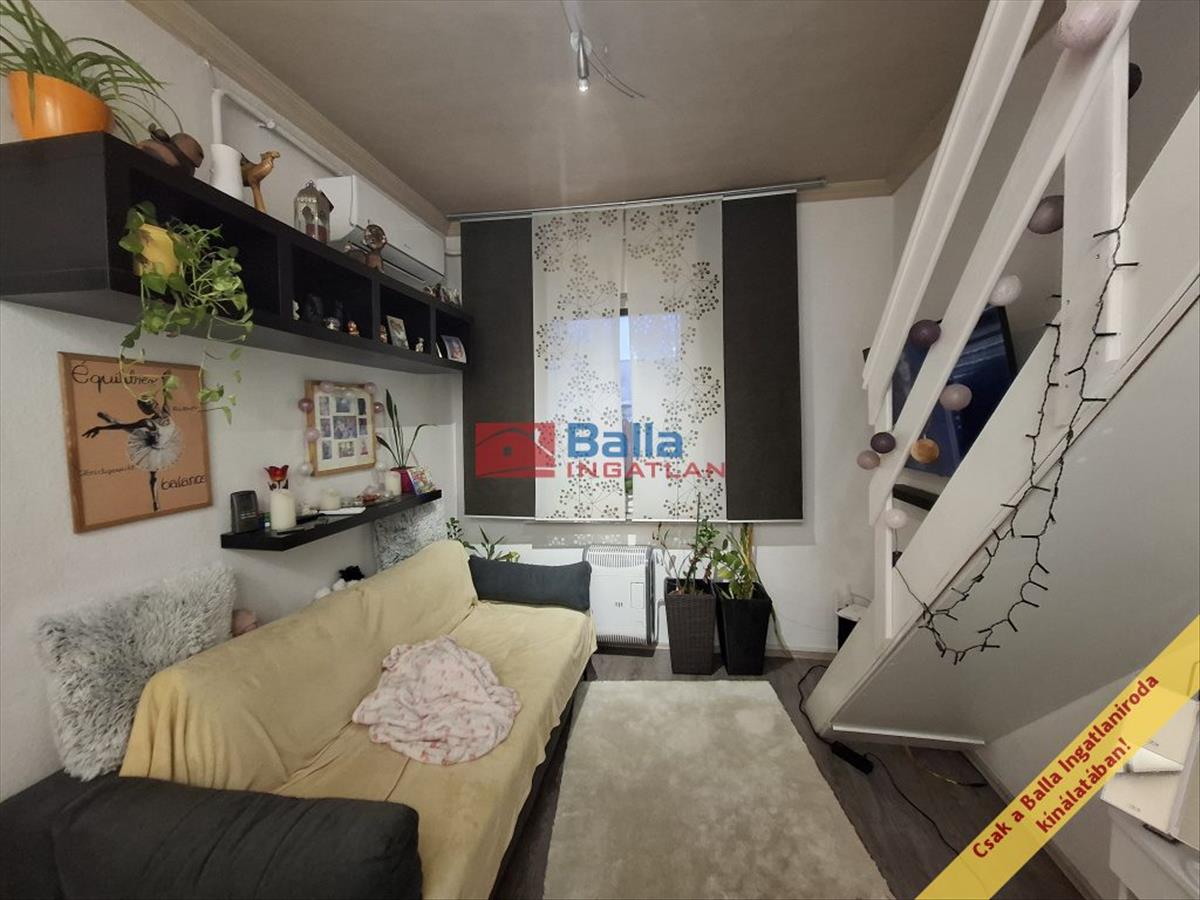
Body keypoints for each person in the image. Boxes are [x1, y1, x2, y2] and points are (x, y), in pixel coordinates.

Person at [82, 395, 182, 512]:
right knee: (153, 474)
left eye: (153, 405)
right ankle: (155, 502)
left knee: (153, 473)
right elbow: (123, 426)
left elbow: (167, 392)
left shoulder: (166, 411)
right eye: (150, 406)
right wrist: (100, 428)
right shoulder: (148, 422)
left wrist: (166, 384)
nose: (154, 407)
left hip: (158, 440)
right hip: (152, 444)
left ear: (155, 404)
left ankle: (111, 420)